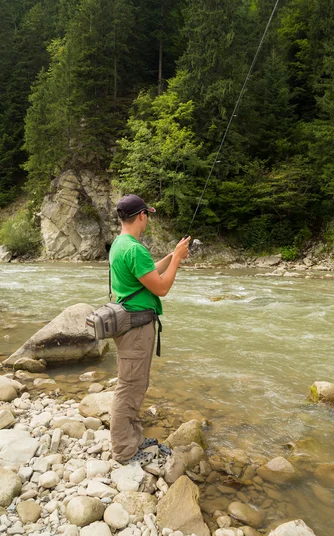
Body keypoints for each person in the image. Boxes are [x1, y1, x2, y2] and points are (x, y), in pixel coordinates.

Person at [109, 194, 190, 466]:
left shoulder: (121, 244)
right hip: (135, 327)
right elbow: (162, 288)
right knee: (130, 386)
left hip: (131, 325)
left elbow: (147, 275)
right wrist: (178, 260)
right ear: (141, 215)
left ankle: (132, 437)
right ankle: (124, 450)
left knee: (136, 383)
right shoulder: (133, 248)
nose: (148, 220)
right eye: (148, 215)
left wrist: (170, 255)